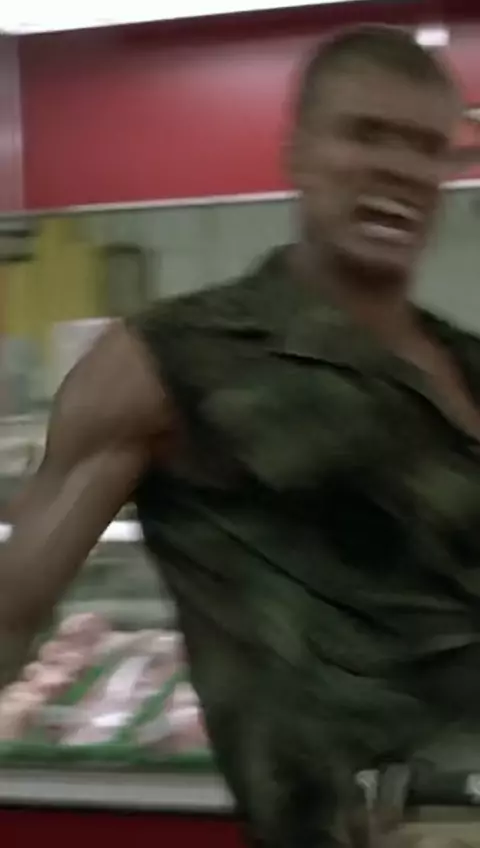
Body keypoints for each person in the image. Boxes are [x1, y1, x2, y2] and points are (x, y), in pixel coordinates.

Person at [2, 23, 480, 847]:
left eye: (424, 146)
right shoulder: (171, 360)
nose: (398, 168)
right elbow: (11, 611)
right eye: (365, 134)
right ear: (297, 153)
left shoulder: (467, 365)